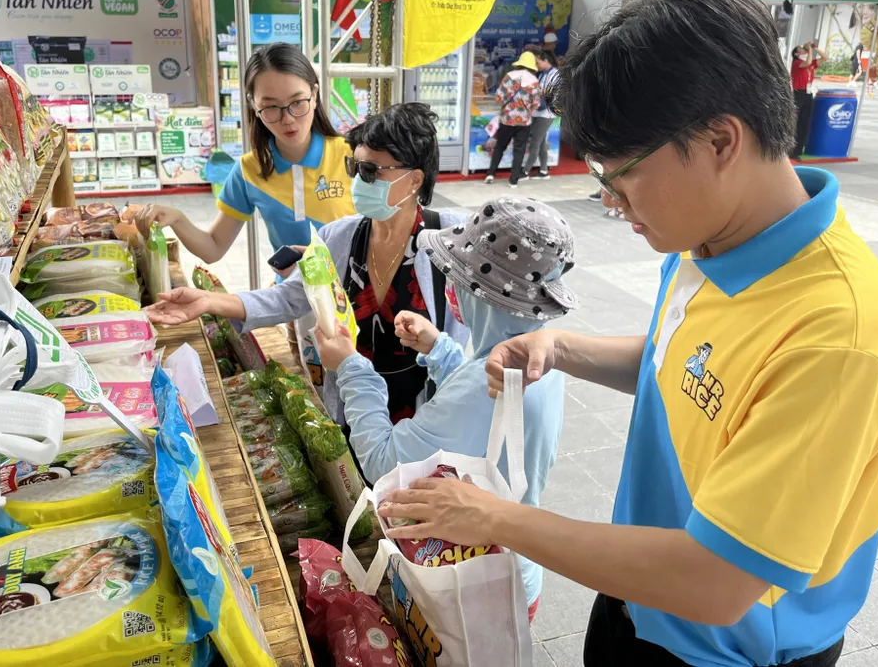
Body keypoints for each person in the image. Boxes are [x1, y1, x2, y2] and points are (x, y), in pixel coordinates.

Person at [377, 0, 878, 667]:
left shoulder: (840, 334)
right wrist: (560, 346)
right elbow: (685, 366)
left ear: (719, 140)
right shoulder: (709, 240)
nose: (609, 199)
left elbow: (716, 583)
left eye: (620, 174)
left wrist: (495, 518)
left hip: (720, 648)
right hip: (635, 589)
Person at [314, 195, 577, 623]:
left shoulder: (483, 385)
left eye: (457, 278)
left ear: (484, 294)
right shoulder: (541, 357)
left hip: (469, 584)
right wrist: (440, 348)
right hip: (514, 570)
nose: (450, 287)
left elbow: (383, 462)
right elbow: (483, 406)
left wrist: (349, 368)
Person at [145, 103, 469, 425]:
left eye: (371, 172)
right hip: (354, 419)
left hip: (428, 423)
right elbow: (289, 297)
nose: (359, 181)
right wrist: (208, 301)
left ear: (414, 180)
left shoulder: (456, 240)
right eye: (354, 168)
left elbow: (505, 302)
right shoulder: (341, 237)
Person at [134, 43, 354, 264]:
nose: (287, 118)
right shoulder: (250, 170)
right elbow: (213, 248)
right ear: (254, 106)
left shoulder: (352, 155)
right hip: (290, 295)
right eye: (271, 107)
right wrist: (177, 219)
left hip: (353, 293)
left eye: (297, 102)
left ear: (314, 95)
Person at [484, 51, 541, 188]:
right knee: (519, 149)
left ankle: (491, 174)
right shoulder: (534, 81)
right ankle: (513, 179)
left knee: (500, 147)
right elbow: (536, 104)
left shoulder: (509, 76)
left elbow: (498, 97)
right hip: (524, 122)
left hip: (506, 120)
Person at [522, 50, 561, 181]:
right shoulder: (542, 74)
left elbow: (550, 93)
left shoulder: (555, 74)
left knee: (535, 141)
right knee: (541, 142)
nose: (536, 65)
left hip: (547, 113)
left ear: (545, 60)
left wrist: (540, 92)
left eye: (538, 62)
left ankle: (525, 170)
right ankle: (544, 170)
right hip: (539, 111)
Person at [789, 41, 820, 160]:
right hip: (798, 93)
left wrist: (815, 48)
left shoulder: (810, 64)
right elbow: (807, 62)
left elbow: (824, 57)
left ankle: (798, 150)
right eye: (801, 49)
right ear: (797, 54)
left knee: (805, 122)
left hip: (808, 93)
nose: (804, 49)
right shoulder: (797, 63)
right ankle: (790, 149)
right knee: (795, 121)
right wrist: (809, 50)